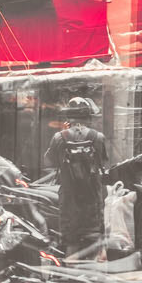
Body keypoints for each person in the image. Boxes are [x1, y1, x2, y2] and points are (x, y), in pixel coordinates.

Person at [44, 97, 109, 258]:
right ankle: (94, 273)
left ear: (69, 116)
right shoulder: (98, 137)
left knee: (71, 243)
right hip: (92, 201)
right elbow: (103, 163)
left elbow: (48, 162)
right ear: (88, 116)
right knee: (94, 242)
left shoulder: (59, 137)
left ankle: (71, 273)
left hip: (69, 201)